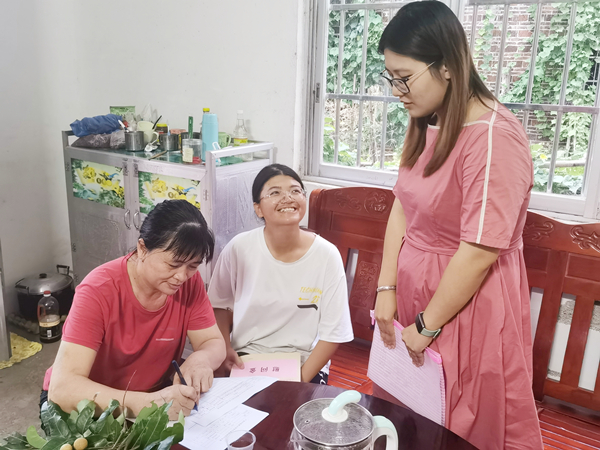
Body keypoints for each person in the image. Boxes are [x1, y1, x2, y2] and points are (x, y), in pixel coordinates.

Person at [372, 2, 543, 449]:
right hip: (415, 291)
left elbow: (480, 251)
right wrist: (386, 288)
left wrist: (428, 325)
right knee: (409, 412)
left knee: (460, 421)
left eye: (404, 77)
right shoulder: (429, 118)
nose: (397, 91)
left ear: (446, 66)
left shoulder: (493, 138)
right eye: (391, 77)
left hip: (465, 300)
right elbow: (403, 204)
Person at [44, 200, 226, 420]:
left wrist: (201, 359)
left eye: (193, 266)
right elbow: (62, 390)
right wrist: (149, 404)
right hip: (89, 407)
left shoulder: (188, 282)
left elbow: (212, 342)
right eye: (173, 264)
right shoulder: (98, 290)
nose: (181, 276)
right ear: (142, 248)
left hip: (150, 396)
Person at [208, 164, 354, 384]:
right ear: (258, 208)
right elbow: (219, 305)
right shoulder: (239, 248)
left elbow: (334, 332)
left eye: (295, 191)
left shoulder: (327, 255)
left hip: (304, 361)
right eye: (275, 192)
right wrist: (225, 349)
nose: (288, 198)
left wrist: (301, 379)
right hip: (246, 358)